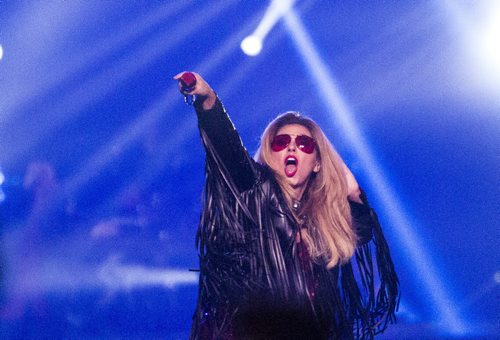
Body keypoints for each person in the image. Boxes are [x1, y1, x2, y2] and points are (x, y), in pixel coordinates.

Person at [174, 72, 399, 339]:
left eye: (303, 144)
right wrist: (208, 101)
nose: (292, 148)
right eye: (281, 142)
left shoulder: (326, 221)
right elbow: (226, 148)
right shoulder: (255, 192)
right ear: (270, 155)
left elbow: (360, 216)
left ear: (317, 163)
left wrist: (326, 154)